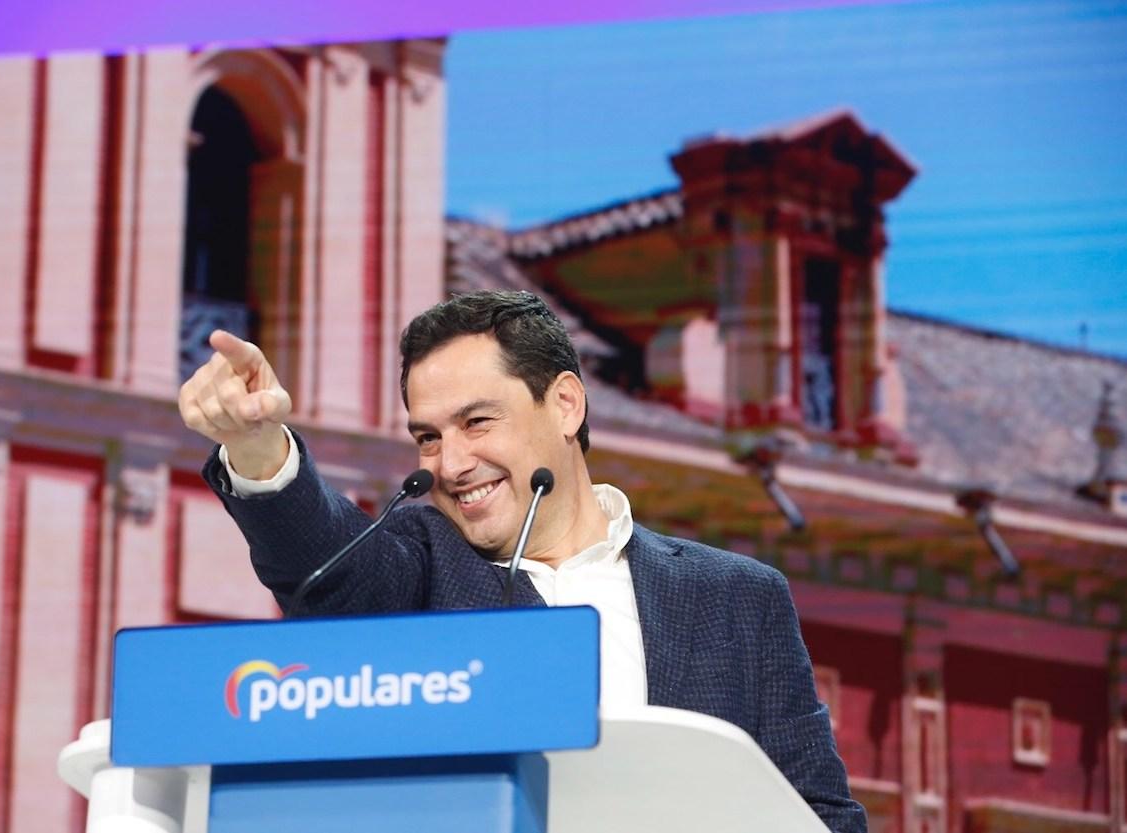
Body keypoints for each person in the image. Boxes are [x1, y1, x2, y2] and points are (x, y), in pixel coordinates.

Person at [180, 290, 866, 832]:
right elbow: (326, 566)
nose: (450, 464)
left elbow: (822, 815)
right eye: (428, 436)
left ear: (565, 403)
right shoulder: (420, 561)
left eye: (478, 422)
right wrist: (259, 447)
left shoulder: (737, 598)